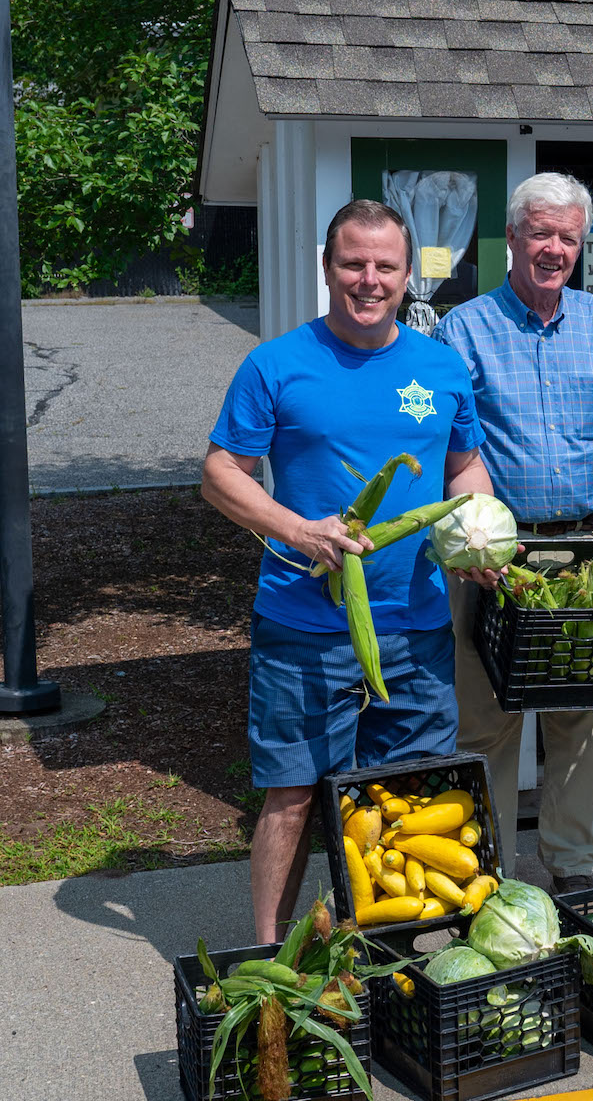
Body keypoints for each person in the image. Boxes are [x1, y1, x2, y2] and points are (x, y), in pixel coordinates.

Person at [203, 198, 493, 943]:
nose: (369, 279)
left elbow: (464, 468)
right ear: (328, 269)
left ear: (408, 276)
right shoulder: (277, 364)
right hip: (304, 629)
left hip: (416, 626)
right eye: (353, 263)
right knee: (293, 796)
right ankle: (266, 955)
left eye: (385, 266)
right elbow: (221, 473)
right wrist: (298, 530)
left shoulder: (441, 365)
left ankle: (386, 947)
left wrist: (480, 536)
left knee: (407, 799)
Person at [435, 173, 593, 894]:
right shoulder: (463, 328)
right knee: (487, 719)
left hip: (589, 547)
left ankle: (573, 868)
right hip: (497, 555)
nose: (554, 249)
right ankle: (487, 876)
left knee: (582, 720)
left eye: (568, 236)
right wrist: (472, 540)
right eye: (541, 233)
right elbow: (450, 449)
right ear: (514, 238)